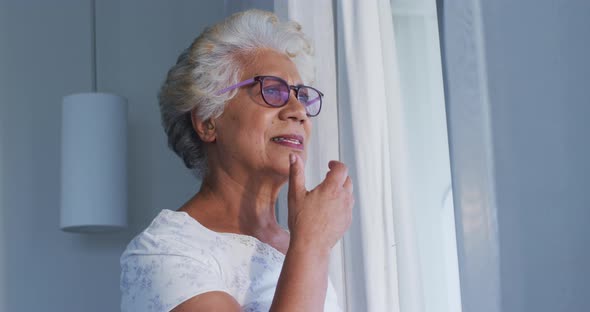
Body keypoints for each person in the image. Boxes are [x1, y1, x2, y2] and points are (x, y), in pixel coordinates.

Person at [120, 9, 353, 312]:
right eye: (272, 91)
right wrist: (311, 246)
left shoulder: (295, 242)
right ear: (207, 121)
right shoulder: (165, 251)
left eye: (302, 96)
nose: (298, 111)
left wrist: (307, 242)